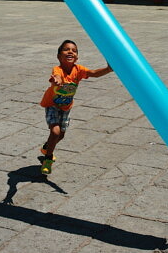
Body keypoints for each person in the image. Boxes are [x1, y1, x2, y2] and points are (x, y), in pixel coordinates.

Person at [39, 40, 113, 175]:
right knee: (55, 132)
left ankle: (46, 147)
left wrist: (108, 69)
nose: (70, 52)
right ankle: (48, 159)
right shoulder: (58, 69)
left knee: (60, 135)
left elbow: (93, 73)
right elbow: (57, 76)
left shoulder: (79, 70)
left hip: (66, 107)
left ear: (77, 57)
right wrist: (56, 80)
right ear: (59, 56)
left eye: (74, 50)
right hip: (52, 104)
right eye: (66, 49)